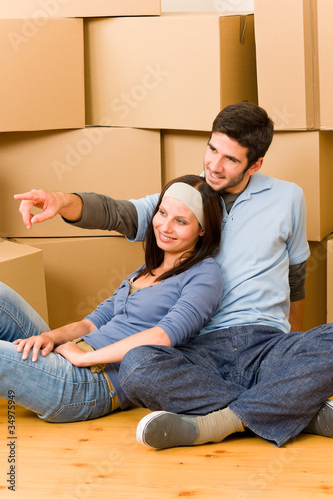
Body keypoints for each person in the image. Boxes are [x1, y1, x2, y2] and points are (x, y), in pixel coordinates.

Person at [14, 102, 333, 448]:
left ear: (255, 164)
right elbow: (118, 213)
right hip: (198, 351)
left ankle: (223, 421)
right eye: (212, 149)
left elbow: (296, 275)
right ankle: (299, 411)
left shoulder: (288, 197)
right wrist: (62, 200)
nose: (214, 164)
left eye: (230, 159)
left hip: (265, 341)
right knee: (137, 366)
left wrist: (293, 349)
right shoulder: (188, 197)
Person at [0, 175, 223, 422]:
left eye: (180, 221)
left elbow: (163, 337)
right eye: (162, 213)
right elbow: (91, 323)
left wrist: (84, 358)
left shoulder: (205, 273)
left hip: (92, 382)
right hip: (72, 353)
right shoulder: (146, 269)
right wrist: (48, 338)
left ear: (203, 229)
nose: (165, 226)